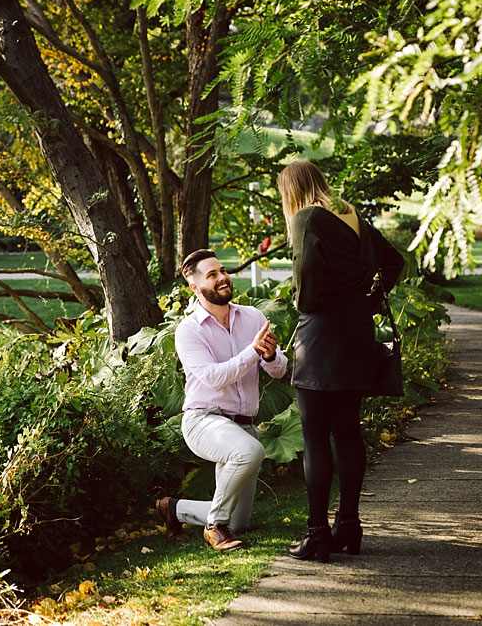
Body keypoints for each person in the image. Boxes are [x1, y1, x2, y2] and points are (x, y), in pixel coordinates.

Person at [276, 160, 404, 562]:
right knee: (348, 431)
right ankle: (349, 526)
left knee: (316, 436)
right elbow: (394, 262)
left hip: (320, 340)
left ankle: (316, 535)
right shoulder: (353, 216)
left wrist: (302, 302)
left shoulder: (305, 218)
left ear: (291, 190)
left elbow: (308, 287)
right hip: (356, 336)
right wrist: (365, 300)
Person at [155, 249, 289, 551]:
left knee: (239, 523)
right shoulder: (188, 331)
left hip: (243, 425)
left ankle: (172, 508)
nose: (222, 278)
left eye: (223, 271)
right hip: (204, 421)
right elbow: (214, 378)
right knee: (250, 451)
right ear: (195, 287)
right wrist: (253, 352)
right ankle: (214, 527)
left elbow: (279, 370)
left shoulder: (253, 317)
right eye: (212, 275)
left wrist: (269, 355)